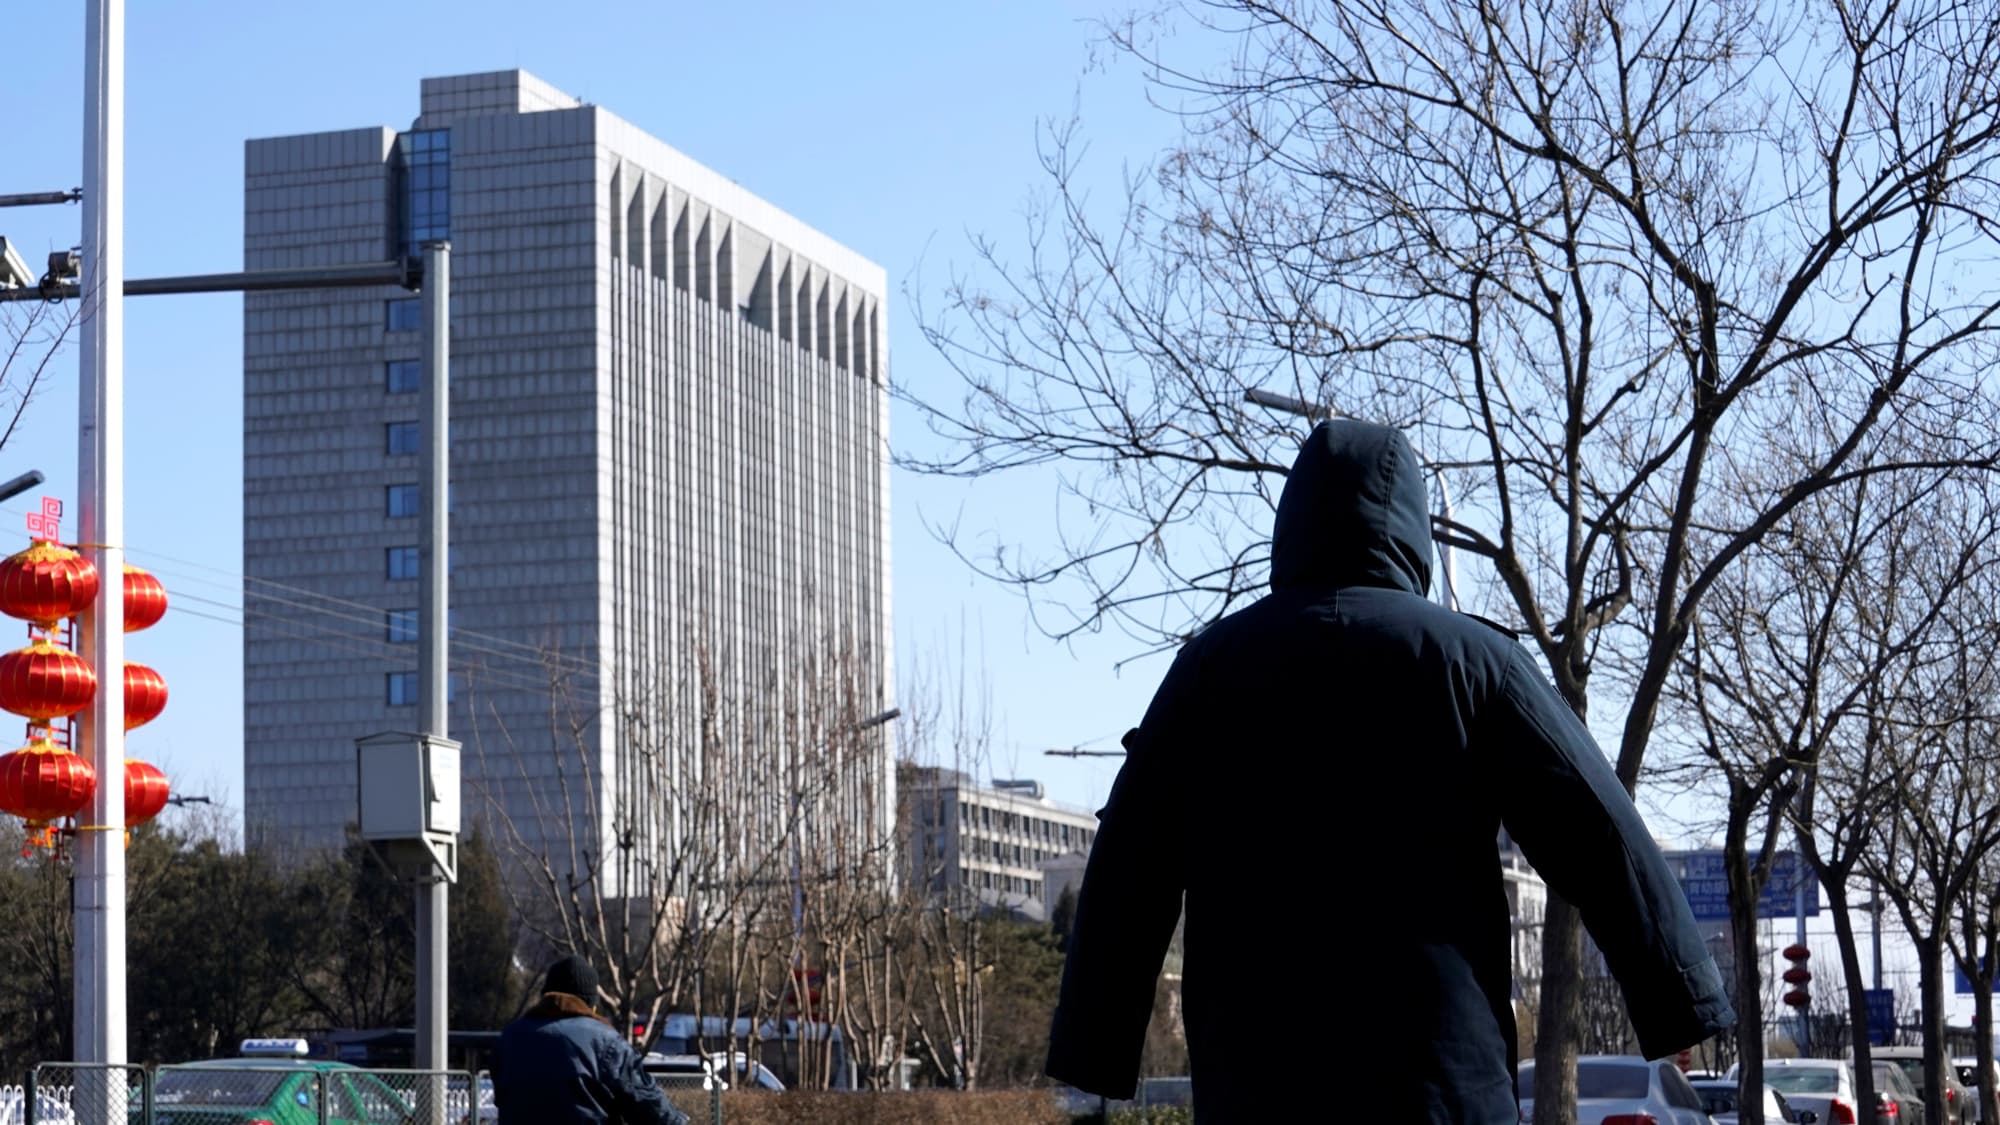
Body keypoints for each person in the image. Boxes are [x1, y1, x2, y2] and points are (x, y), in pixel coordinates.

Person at [1044, 419, 1735, 1123]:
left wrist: (1094, 1045)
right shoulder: (1475, 664)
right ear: (1413, 529)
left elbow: (1128, 869)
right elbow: (1598, 827)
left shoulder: (1207, 671)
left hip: (1260, 1083)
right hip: (1441, 1083)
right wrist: (1679, 990)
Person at [495, 953, 687, 1125]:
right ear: (591, 1004)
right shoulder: (605, 1042)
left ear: (545, 997)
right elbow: (650, 1107)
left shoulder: (510, 1038)